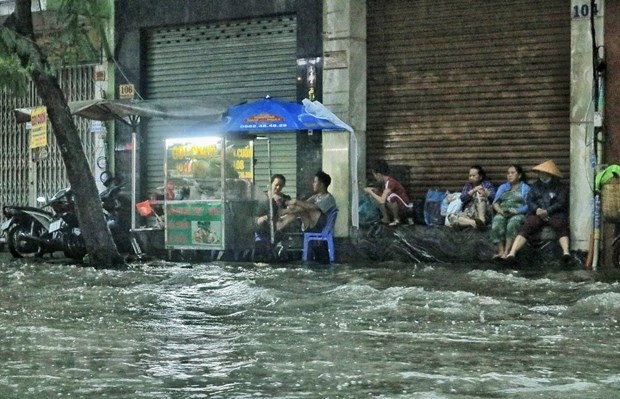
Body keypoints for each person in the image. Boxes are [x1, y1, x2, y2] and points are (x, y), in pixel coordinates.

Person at [505, 160, 571, 262]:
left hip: (554, 213)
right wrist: (537, 210)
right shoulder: (535, 186)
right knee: (527, 226)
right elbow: (530, 200)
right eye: (539, 172)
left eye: (542, 172)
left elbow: (561, 202)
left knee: (560, 225)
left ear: (549, 173)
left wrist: (547, 211)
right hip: (538, 213)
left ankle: (566, 252)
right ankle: (512, 253)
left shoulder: (560, 187)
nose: (540, 174)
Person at [490, 165, 531, 259]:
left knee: (513, 223)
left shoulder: (525, 188)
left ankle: (507, 251)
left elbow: (528, 206)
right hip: (503, 211)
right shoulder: (503, 187)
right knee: (497, 221)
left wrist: (516, 211)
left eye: (512, 173)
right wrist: (500, 211)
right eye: (508, 173)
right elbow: (495, 203)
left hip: (517, 213)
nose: (509, 175)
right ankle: (500, 251)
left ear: (519, 175)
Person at [363, 160, 412, 226]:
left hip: (404, 207)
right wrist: (373, 190)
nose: (375, 178)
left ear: (379, 175)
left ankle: (396, 219)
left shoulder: (390, 183)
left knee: (390, 197)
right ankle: (385, 218)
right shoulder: (384, 182)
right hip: (397, 207)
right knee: (379, 194)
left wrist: (370, 192)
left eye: (374, 175)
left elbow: (382, 201)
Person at [447, 165, 496, 230]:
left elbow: (494, 197)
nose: (471, 177)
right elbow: (462, 198)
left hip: (484, 212)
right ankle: (475, 224)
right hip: (470, 213)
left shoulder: (487, 184)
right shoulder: (468, 186)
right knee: (451, 216)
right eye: (470, 176)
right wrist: (473, 190)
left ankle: (482, 221)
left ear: (480, 177)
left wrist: (485, 193)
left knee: (479, 194)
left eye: (474, 175)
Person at [254, 174, 291, 240]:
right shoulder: (261, 198)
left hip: (279, 229)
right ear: (271, 184)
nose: (278, 187)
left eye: (281, 186)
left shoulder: (285, 199)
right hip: (263, 229)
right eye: (276, 185)